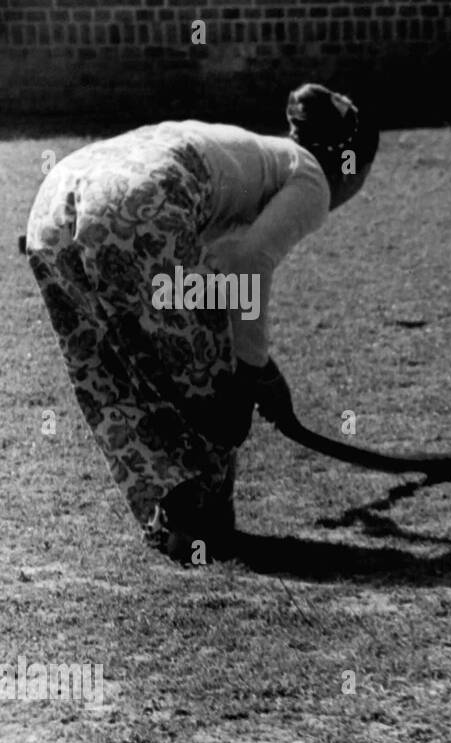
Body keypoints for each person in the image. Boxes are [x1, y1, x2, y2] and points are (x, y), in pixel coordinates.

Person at [24, 83, 377, 562]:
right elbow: (251, 266)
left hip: (55, 202)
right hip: (134, 204)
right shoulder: (311, 177)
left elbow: (220, 282)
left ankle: (180, 513)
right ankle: (201, 520)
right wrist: (249, 374)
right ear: (351, 165)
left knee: (111, 364)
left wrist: (263, 368)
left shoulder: (249, 155)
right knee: (211, 373)